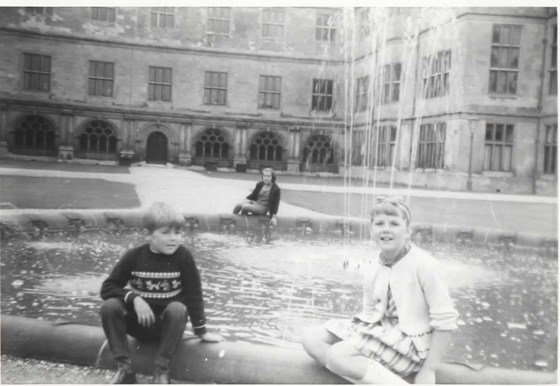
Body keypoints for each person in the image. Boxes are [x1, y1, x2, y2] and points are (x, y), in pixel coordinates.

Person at [302, 196, 458, 384]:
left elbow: (446, 321)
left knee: (338, 355)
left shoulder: (425, 265)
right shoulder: (374, 267)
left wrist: (429, 370)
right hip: (382, 334)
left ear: (407, 231)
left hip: (412, 344)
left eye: (394, 224)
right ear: (371, 230)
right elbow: (370, 314)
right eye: (379, 224)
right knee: (311, 338)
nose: (386, 229)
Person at [99, 202, 222, 384]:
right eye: (165, 233)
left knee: (178, 308)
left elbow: (194, 295)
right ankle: (125, 369)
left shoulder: (183, 257)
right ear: (148, 235)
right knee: (109, 306)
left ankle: (161, 372)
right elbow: (107, 288)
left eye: (178, 233)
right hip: (139, 325)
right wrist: (134, 298)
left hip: (167, 328)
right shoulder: (134, 256)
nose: (173, 238)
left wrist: (201, 331)